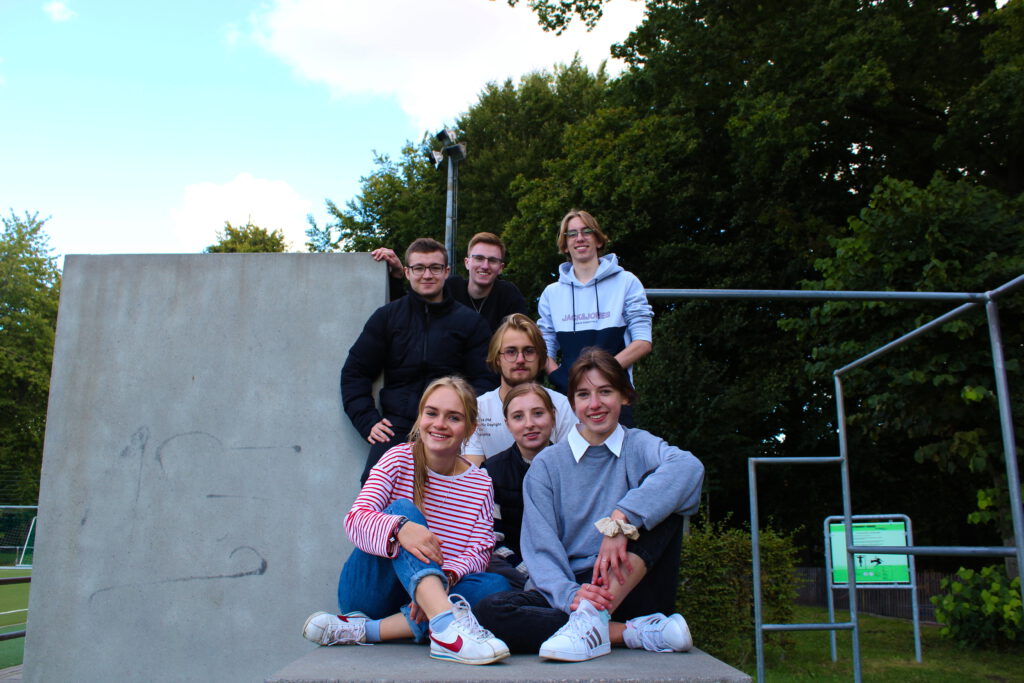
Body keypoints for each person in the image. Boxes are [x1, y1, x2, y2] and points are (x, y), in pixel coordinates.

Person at [473, 348, 704, 662]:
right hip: (574, 588)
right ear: (572, 404)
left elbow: (689, 469)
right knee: (490, 611)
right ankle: (628, 632)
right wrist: (572, 594)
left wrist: (621, 519)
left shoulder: (639, 445)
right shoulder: (546, 465)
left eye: (605, 392)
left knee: (666, 501)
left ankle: (591, 623)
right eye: (584, 394)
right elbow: (540, 548)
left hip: (629, 581)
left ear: (623, 396)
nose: (595, 404)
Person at [302, 377, 511, 665]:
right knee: (403, 510)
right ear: (420, 417)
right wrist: (400, 528)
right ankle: (445, 627)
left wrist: (443, 580)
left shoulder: (480, 483)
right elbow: (355, 520)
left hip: (436, 596)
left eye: (454, 417)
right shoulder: (398, 459)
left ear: (471, 428)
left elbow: (479, 550)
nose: (440, 424)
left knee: (496, 587)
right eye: (432, 413)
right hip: (371, 592)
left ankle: (372, 631)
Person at [342, 238, 496, 484]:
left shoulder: (470, 323)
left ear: (446, 272)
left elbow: (486, 379)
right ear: (407, 272)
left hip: (449, 427)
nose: (427, 275)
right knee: (376, 496)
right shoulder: (387, 318)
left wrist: (461, 419)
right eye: (419, 268)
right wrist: (367, 420)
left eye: (435, 268)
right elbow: (355, 372)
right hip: (397, 428)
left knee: (451, 502)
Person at [536, 211, 654, 423]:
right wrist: (560, 377)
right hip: (569, 397)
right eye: (571, 234)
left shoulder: (627, 282)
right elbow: (544, 349)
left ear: (598, 240)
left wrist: (599, 376)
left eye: (586, 231)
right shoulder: (551, 294)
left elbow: (643, 342)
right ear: (564, 245)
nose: (579, 238)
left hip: (616, 394)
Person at [463, 314, 575, 465]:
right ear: (497, 358)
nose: (520, 359)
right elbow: (473, 474)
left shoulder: (563, 407)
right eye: (511, 352)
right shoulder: (478, 409)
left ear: (541, 358)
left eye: (529, 351)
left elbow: (569, 470)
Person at [481, 383, 557, 589]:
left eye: (538, 413)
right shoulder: (492, 472)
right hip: (515, 572)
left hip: (568, 568)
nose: (529, 424)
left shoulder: (573, 466)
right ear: (507, 424)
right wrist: (531, 574)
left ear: (553, 416)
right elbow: (493, 540)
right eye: (518, 417)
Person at [372, 232, 528, 333]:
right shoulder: (449, 288)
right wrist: (397, 276)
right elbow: (411, 309)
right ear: (467, 262)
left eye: (492, 260)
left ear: (501, 268)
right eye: (479, 258)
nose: (485, 266)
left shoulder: (509, 295)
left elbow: (522, 338)